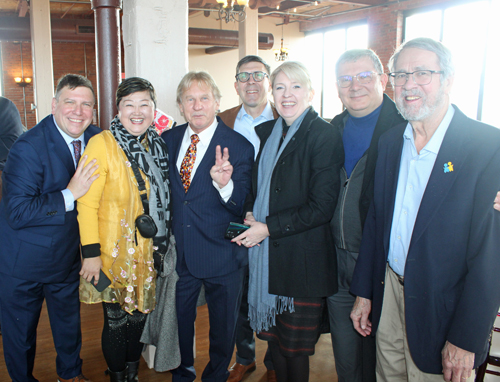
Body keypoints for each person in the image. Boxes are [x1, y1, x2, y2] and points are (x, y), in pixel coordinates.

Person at [350, 37, 500, 382]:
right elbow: (376, 221)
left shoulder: (487, 148)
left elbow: (491, 257)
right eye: (400, 74)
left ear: (448, 80)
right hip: (388, 293)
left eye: (422, 73)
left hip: (444, 307)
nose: (408, 84)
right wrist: (364, 293)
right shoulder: (389, 143)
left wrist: (465, 338)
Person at [233, 61, 344, 382]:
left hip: (301, 265)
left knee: (295, 354)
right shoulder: (268, 132)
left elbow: (322, 207)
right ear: (272, 92)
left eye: (296, 87)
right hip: (269, 262)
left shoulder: (323, 135)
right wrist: (253, 212)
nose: (287, 94)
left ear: (310, 93)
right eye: (280, 87)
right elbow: (262, 187)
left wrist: (266, 228)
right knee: (276, 349)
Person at [0, 74, 101, 382]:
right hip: (23, 262)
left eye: (86, 104)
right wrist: (70, 193)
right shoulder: (27, 147)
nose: (78, 111)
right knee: (21, 335)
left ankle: (71, 376)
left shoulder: (97, 138)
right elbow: (17, 212)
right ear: (55, 105)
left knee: (69, 327)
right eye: (70, 102)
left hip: (66, 257)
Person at [77, 77, 178, 382]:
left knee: (139, 320)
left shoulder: (158, 143)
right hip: (112, 254)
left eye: (144, 104)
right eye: (128, 105)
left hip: (148, 253)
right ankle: (118, 375)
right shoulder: (101, 144)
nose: (137, 111)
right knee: (117, 321)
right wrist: (91, 255)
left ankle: (132, 373)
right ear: (117, 110)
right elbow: (86, 204)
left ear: (153, 108)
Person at [163, 71, 254, 382]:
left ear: (217, 102)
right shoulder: (169, 140)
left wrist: (225, 186)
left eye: (204, 98)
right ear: (180, 105)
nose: (197, 105)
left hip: (223, 255)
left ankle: (215, 375)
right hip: (181, 257)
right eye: (190, 99)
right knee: (179, 323)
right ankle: (183, 371)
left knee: (223, 328)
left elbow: (240, 203)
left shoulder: (239, 146)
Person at [326, 49, 405, 382]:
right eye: (345, 79)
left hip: (379, 263)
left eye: (363, 76)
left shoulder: (405, 128)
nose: (354, 85)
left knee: (381, 356)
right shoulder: (331, 128)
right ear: (337, 86)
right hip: (335, 258)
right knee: (345, 356)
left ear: (382, 80)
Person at [218, 55, 278, 382]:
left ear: (268, 81)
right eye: (244, 76)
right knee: (238, 294)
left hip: (273, 224)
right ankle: (245, 357)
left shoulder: (287, 116)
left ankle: (273, 362)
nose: (251, 82)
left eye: (258, 75)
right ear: (236, 84)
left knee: (272, 292)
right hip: (234, 220)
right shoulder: (223, 120)